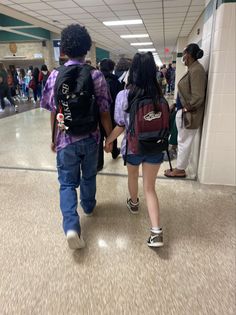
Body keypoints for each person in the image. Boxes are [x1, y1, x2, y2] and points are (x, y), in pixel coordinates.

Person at [40, 24, 113, 250]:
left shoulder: (54, 76)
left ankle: (71, 227)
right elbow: (103, 111)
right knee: (88, 176)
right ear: (86, 49)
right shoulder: (96, 75)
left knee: (67, 184)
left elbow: (53, 109)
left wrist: (53, 138)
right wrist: (109, 138)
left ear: (64, 50)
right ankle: (89, 207)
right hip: (91, 138)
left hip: (65, 139)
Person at [105, 52, 166, 248]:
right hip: (155, 146)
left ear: (133, 72)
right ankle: (156, 232)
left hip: (133, 147)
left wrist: (108, 141)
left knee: (133, 178)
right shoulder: (159, 96)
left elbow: (120, 125)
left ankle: (133, 203)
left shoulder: (124, 95)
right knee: (150, 188)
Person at [164, 43, 207, 178]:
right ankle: (180, 167)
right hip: (184, 112)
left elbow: (198, 96)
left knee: (184, 142)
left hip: (190, 115)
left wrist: (185, 108)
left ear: (189, 54)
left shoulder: (197, 71)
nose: (183, 56)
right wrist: (176, 106)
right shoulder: (192, 69)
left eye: (184, 53)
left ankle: (180, 170)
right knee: (182, 141)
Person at [97, 58, 123, 171]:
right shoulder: (116, 82)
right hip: (112, 112)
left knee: (98, 137)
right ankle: (114, 152)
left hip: (96, 113)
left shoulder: (94, 80)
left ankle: (99, 163)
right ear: (112, 68)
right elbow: (120, 99)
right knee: (112, 132)